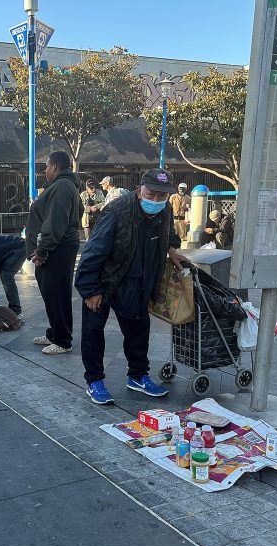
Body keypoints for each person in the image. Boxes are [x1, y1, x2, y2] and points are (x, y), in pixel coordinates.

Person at [75, 169, 188, 404]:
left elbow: (167, 234)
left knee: (138, 329)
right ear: (139, 190)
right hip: (104, 280)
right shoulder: (116, 211)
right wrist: (91, 290)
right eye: (151, 194)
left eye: (161, 196)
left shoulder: (165, 209)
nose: (156, 201)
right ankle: (94, 380)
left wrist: (172, 250)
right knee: (93, 331)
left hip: (136, 279)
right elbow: (92, 252)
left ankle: (137, 376)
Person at [26, 151, 82, 354]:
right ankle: (55, 332)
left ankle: (62, 340)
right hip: (58, 246)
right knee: (51, 292)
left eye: (47, 167)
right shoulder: (65, 186)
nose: (45, 171)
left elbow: (55, 221)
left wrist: (42, 250)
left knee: (57, 293)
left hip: (57, 248)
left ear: (55, 167)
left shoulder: (62, 186)